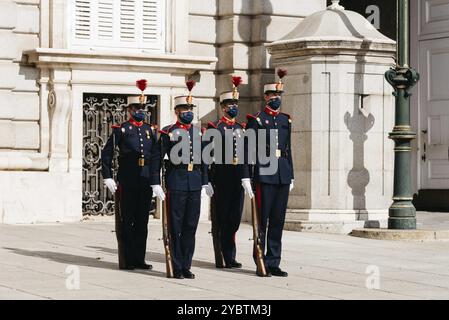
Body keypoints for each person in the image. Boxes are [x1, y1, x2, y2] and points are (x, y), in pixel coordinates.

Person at [152, 80, 214, 279]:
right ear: (177, 111)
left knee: (190, 226)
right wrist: (156, 182)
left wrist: (206, 180)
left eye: (190, 108)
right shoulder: (168, 132)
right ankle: (176, 264)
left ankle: (186, 264)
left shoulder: (198, 133)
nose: (189, 112)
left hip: (194, 182)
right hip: (176, 181)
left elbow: (204, 159)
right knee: (175, 226)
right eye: (185, 108)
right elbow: (157, 159)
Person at [101, 79, 159, 270]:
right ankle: (127, 260)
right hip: (128, 179)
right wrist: (107, 176)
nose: (141, 110)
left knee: (142, 222)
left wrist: (155, 180)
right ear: (130, 109)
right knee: (128, 221)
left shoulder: (151, 130)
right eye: (137, 107)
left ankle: (139, 259)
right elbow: (107, 153)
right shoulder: (122, 129)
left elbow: (155, 155)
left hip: (144, 180)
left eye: (143, 107)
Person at [241, 69, 294, 277]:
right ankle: (260, 260)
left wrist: (291, 174)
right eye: (272, 96)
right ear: (265, 97)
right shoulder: (256, 119)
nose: (275, 99)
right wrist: (246, 175)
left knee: (278, 221)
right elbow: (247, 149)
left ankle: (274, 261)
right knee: (261, 221)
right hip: (264, 173)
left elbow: (288, 149)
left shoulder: (285, 120)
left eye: (278, 96)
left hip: (282, 172)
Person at [207, 76, 245, 269]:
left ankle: (230, 254)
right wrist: (207, 180)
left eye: (235, 104)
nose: (233, 108)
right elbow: (204, 155)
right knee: (221, 219)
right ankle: (222, 256)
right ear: (223, 107)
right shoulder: (215, 128)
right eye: (230, 105)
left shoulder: (241, 128)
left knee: (234, 218)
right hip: (220, 178)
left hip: (238, 178)